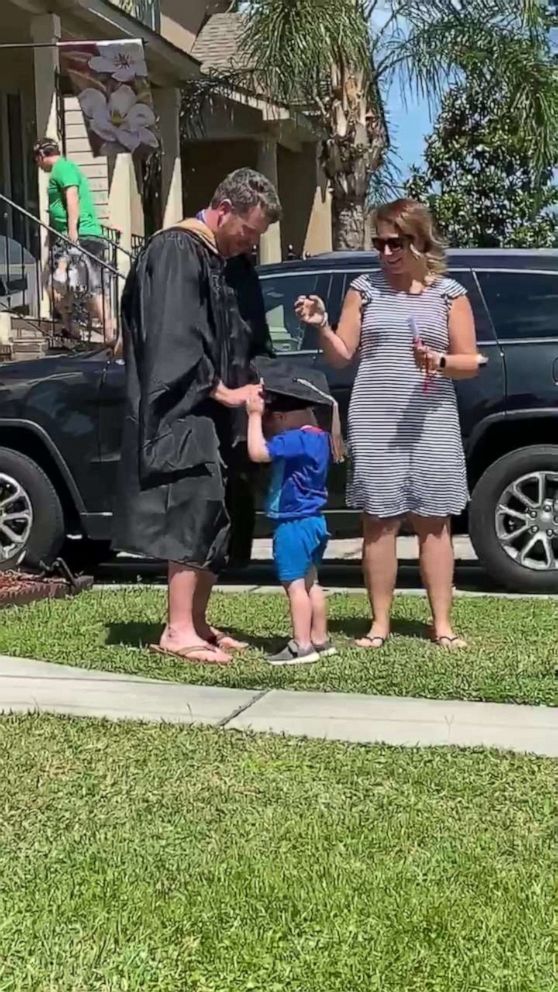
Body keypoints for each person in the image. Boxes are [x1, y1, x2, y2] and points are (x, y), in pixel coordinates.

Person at [296, 198, 485, 650]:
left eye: (394, 243)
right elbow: (343, 354)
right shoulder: (364, 289)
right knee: (379, 522)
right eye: (379, 243)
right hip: (376, 419)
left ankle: (442, 624)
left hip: (431, 422)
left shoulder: (450, 294)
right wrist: (322, 327)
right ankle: (379, 623)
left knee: (434, 523)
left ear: (419, 241)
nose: (385, 252)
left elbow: (470, 362)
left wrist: (437, 361)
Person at [112, 169, 281, 665]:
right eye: (248, 231)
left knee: (220, 508)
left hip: (221, 408)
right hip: (182, 409)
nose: (250, 243)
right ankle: (176, 629)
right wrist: (219, 390)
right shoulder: (175, 250)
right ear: (223, 208)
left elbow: (248, 332)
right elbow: (173, 336)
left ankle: (199, 623)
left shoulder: (226, 260)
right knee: (191, 504)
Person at [246, 356, 340, 665]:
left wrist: (253, 415)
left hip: (292, 523)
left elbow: (258, 452)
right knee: (312, 581)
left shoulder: (295, 439)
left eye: (273, 416)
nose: (271, 423)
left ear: (287, 417)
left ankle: (301, 645)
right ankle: (320, 639)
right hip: (315, 522)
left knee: (294, 586)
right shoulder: (320, 438)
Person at [34, 137, 115, 344]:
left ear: (42, 155)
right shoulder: (68, 168)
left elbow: (72, 198)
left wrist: (72, 234)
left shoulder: (62, 169)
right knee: (90, 287)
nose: (38, 165)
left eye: (37, 160)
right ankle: (101, 331)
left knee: (55, 285)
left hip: (77, 238)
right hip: (86, 236)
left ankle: (76, 328)